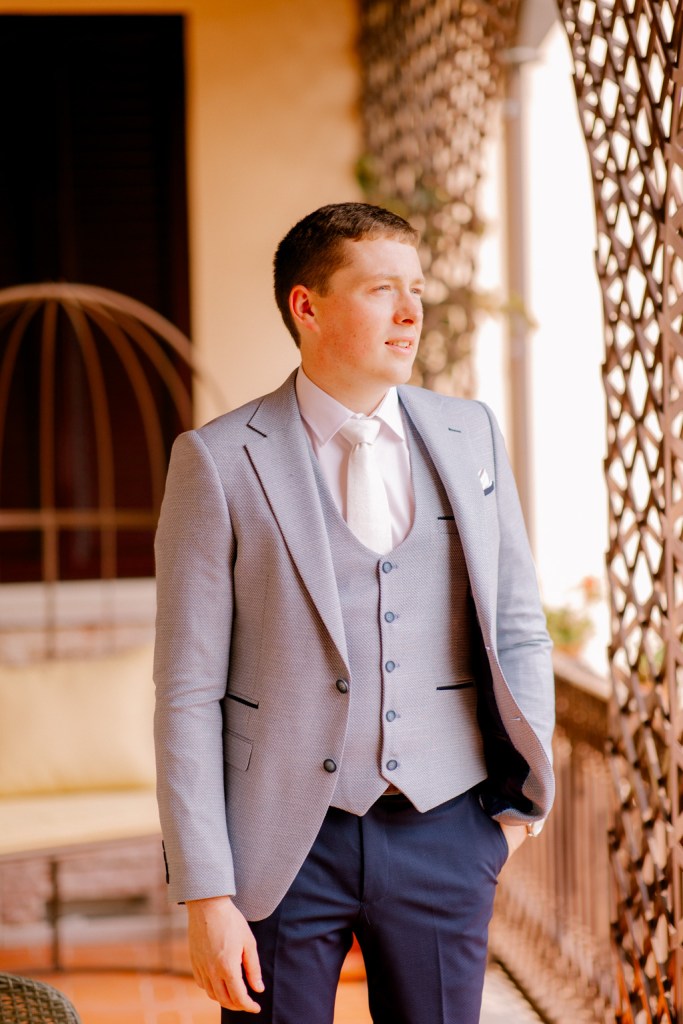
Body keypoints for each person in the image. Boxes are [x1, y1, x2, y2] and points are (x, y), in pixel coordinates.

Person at [153, 202, 555, 1024]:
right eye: (381, 290)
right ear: (307, 307)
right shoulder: (218, 461)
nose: (410, 312)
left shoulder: (470, 433)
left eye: (416, 289)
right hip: (279, 848)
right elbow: (186, 691)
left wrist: (514, 820)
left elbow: (518, 627)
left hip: (447, 830)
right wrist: (207, 892)